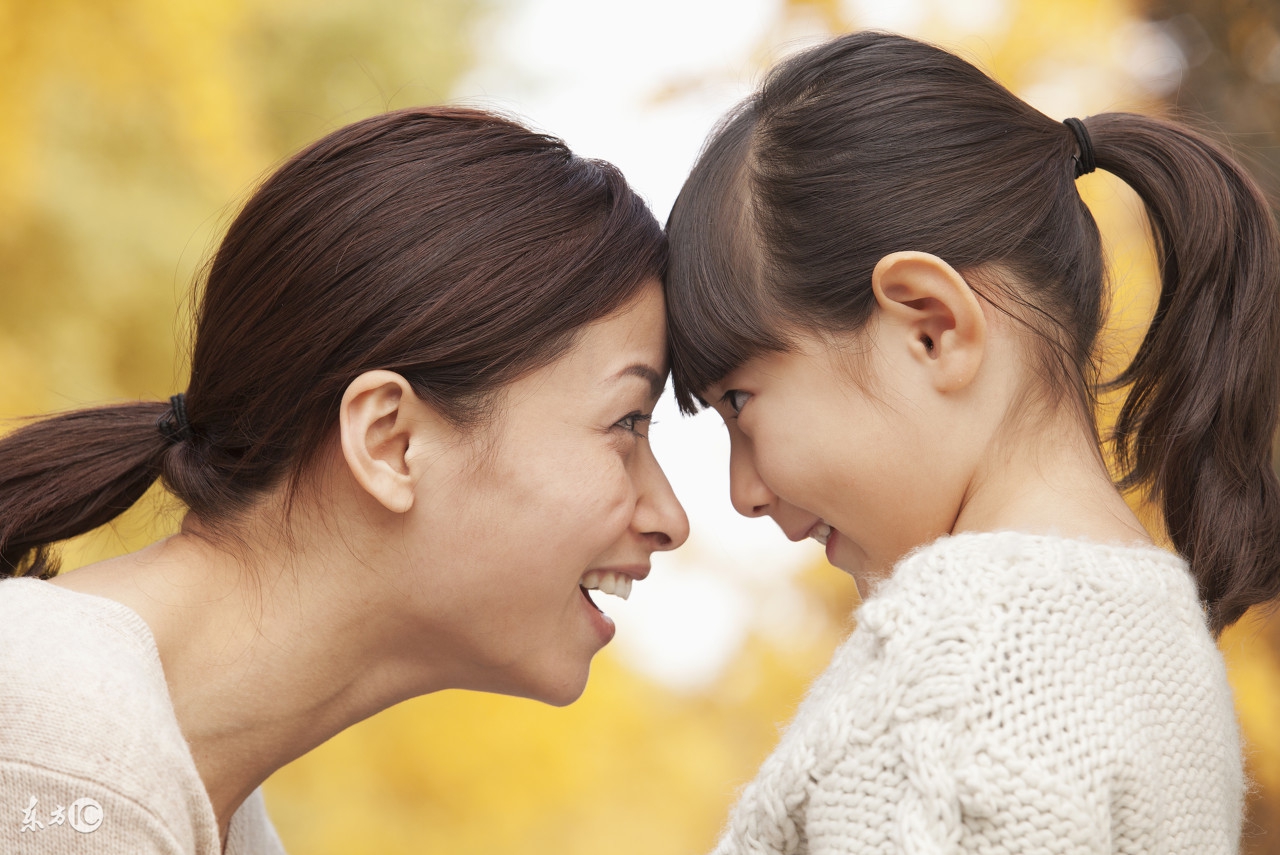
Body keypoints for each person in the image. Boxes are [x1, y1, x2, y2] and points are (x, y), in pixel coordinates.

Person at [0, 106, 689, 854]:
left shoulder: (167, 786)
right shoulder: (59, 749)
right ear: (390, 439)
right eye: (627, 423)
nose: (670, 516)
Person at [665, 31, 1280, 854]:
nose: (742, 491)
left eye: (739, 401)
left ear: (930, 328)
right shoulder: (1160, 645)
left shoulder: (952, 684)